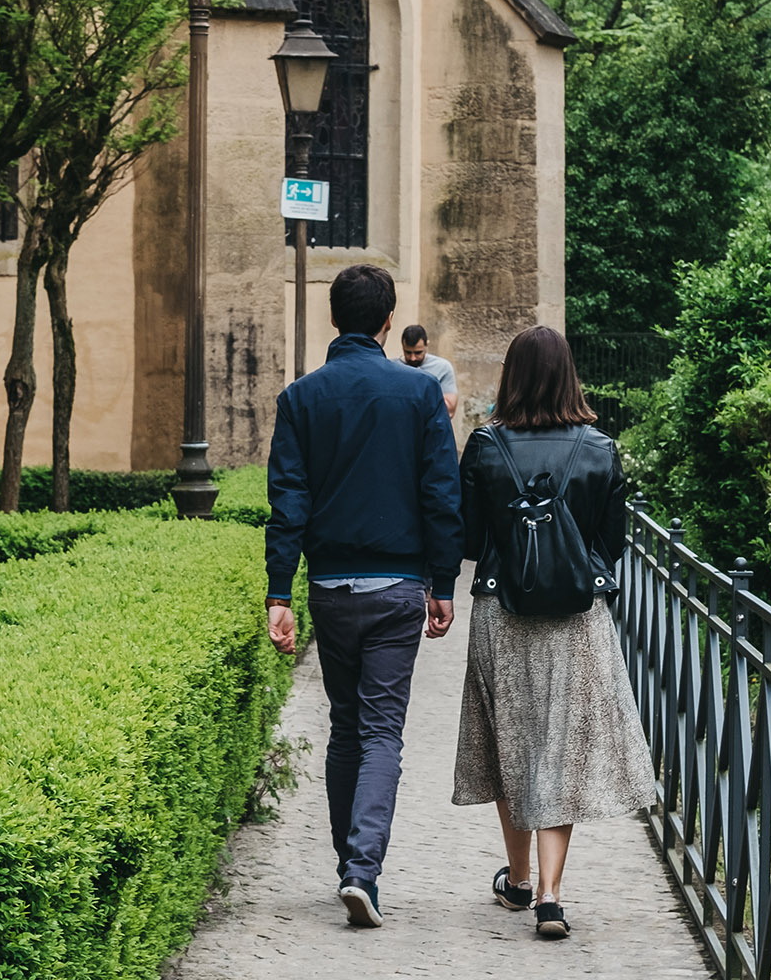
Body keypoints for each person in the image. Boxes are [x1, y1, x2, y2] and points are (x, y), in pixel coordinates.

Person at [266, 264, 464, 930]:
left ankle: (348, 864)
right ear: (388, 322)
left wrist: (278, 591)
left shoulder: (301, 398)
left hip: (330, 588)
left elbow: (287, 501)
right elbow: (441, 494)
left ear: (333, 319)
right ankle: (362, 869)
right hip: (398, 585)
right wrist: (443, 583)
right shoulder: (417, 397)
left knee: (344, 730)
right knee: (382, 730)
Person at [450, 325, 653, 940]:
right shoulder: (599, 447)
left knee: (510, 742)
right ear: (570, 374)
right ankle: (551, 895)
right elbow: (611, 545)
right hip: (577, 620)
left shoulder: (485, 446)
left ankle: (515, 878)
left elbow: (467, 540)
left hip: (500, 614)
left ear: (511, 376)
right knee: (558, 748)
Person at [400, 324, 458, 418]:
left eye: (418, 353)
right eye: (408, 352)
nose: (413, 358)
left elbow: (449, 411)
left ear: (427, 345)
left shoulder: (442, 367)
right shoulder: (393, 366)